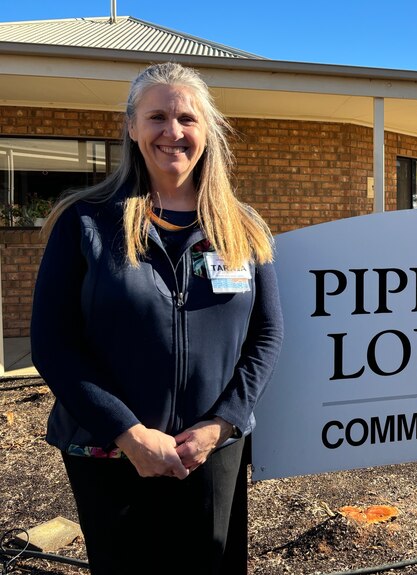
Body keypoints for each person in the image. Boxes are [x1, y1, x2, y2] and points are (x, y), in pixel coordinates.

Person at [30, 62, 284, 575]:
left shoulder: (242, 226)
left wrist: (222, 423)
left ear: (207, 129)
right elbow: (52, 342)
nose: (174, 131)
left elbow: (267, 333)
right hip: (108, 451)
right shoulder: (86, 221)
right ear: (132, 127)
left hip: (212, 451)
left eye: (187, 118)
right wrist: (128, 433)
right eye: (157, 117)